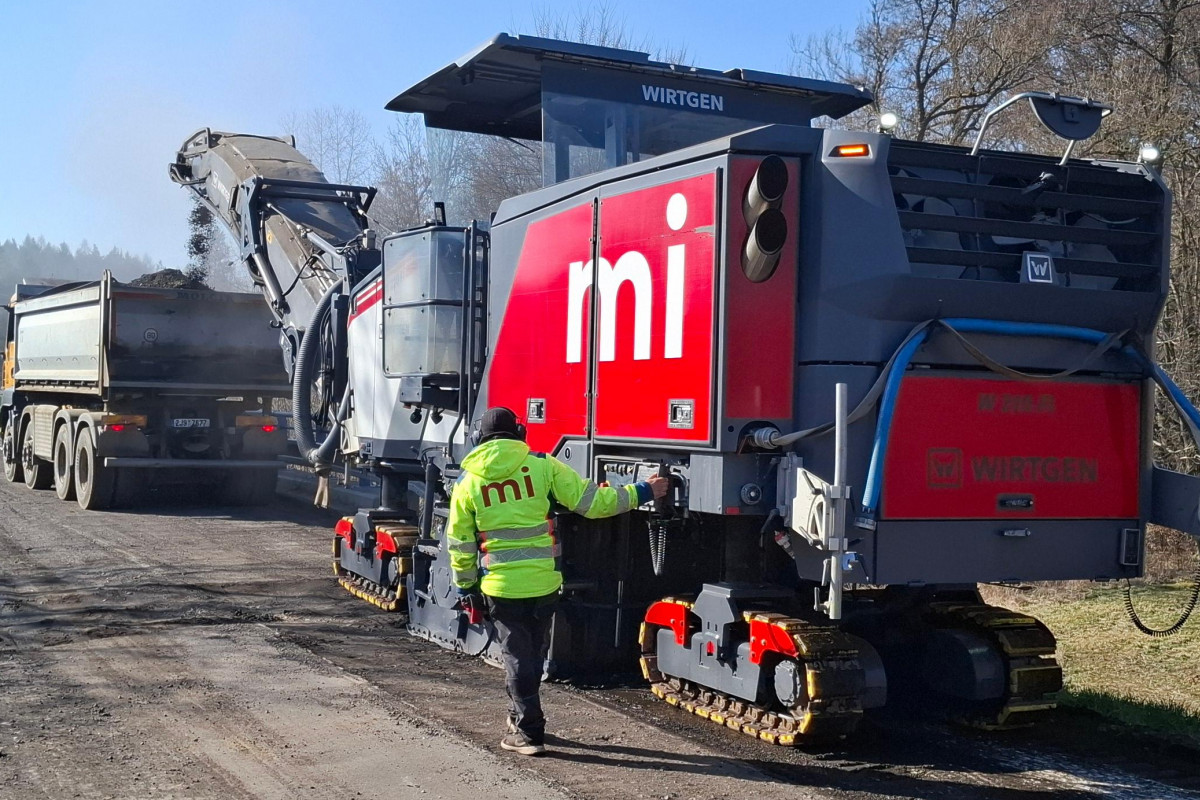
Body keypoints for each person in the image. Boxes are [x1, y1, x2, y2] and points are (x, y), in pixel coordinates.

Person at [446, 407, 668, 756]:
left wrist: (465, 586)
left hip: (500, 589)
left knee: (517, 658)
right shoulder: (542, 466)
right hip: (544, 585)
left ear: (478, 439)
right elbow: (595, 503)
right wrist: (643, 491)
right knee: (531, 655)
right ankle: (520, 717)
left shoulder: (468, 482)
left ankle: (530, 732)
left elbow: (460, 544)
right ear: (519, 432)